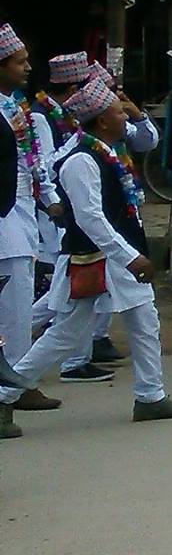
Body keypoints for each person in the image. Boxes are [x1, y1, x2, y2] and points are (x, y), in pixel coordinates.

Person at [0, 80, 172, 435]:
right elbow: (91, 219)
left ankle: (150, 396)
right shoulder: (81, 160)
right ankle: (2, 395)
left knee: (143, 322)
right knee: (65, 335)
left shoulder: (106, 151)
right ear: (103, 121)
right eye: (119, 112)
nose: (126, 117)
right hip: (96, 259)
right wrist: (130, 257)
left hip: (112, 258)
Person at [0, 24, 63, 418]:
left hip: (20, 214)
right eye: (19, 62)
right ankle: (9, 393)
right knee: (12, 309)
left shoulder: (14, 107)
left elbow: (32, 163)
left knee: (19, 307)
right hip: (5, 217)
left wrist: (49, 199)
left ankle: (17, 384)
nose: (27, 68)